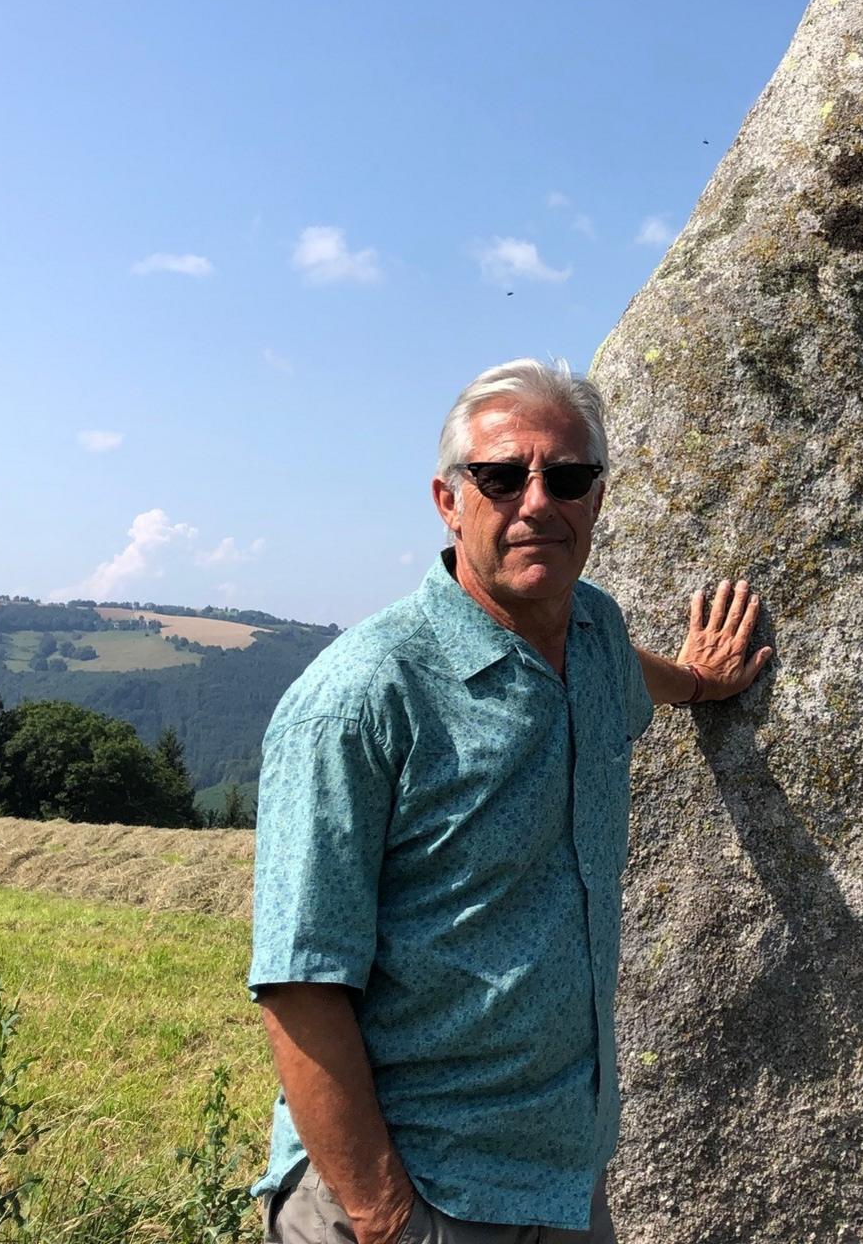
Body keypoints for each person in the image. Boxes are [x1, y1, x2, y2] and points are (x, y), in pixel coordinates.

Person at [249, 359, 771, 1244]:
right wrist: (387, 1219)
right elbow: (301, 985)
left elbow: (628, 674)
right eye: (500, 476)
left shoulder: (596, 634)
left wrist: (699, 681)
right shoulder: (362, 698)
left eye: (567, 478)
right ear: (449, 501)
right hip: (416, 1190)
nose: (537, 502)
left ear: (597, 500)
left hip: (562, 1186)